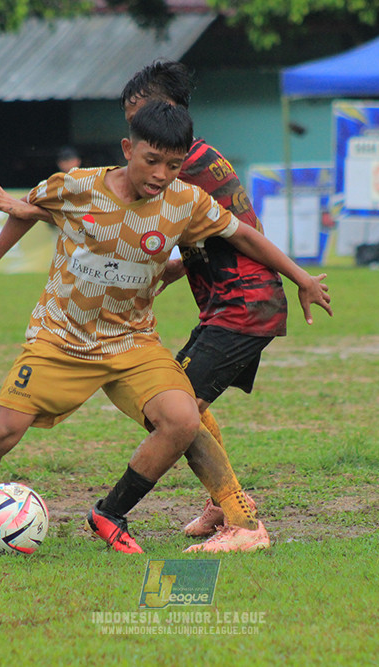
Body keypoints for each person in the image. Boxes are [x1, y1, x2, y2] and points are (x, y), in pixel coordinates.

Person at [0, 101, 332, 554]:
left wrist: (300, 277)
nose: (162, 174)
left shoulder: (186, 202)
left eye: (174, 164)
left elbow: (241, 234)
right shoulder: (76, 185)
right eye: (152, 160)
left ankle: (111, 513)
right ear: (128, 148)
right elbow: (28, 208)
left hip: (133, 343)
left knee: (182, 419)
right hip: (62, 338)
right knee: (2, 430)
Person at [114, 60, 289, 544]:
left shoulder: (177, 164)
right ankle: (222, 503)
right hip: (235, 305)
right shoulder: (196, 157)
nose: (134, 130)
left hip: (242, 306)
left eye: (139, 115)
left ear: (165, 110)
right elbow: (207, 237)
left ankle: (242, 522)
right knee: (180, 405)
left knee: (175, 410)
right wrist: (169, 272)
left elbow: (118, 197)